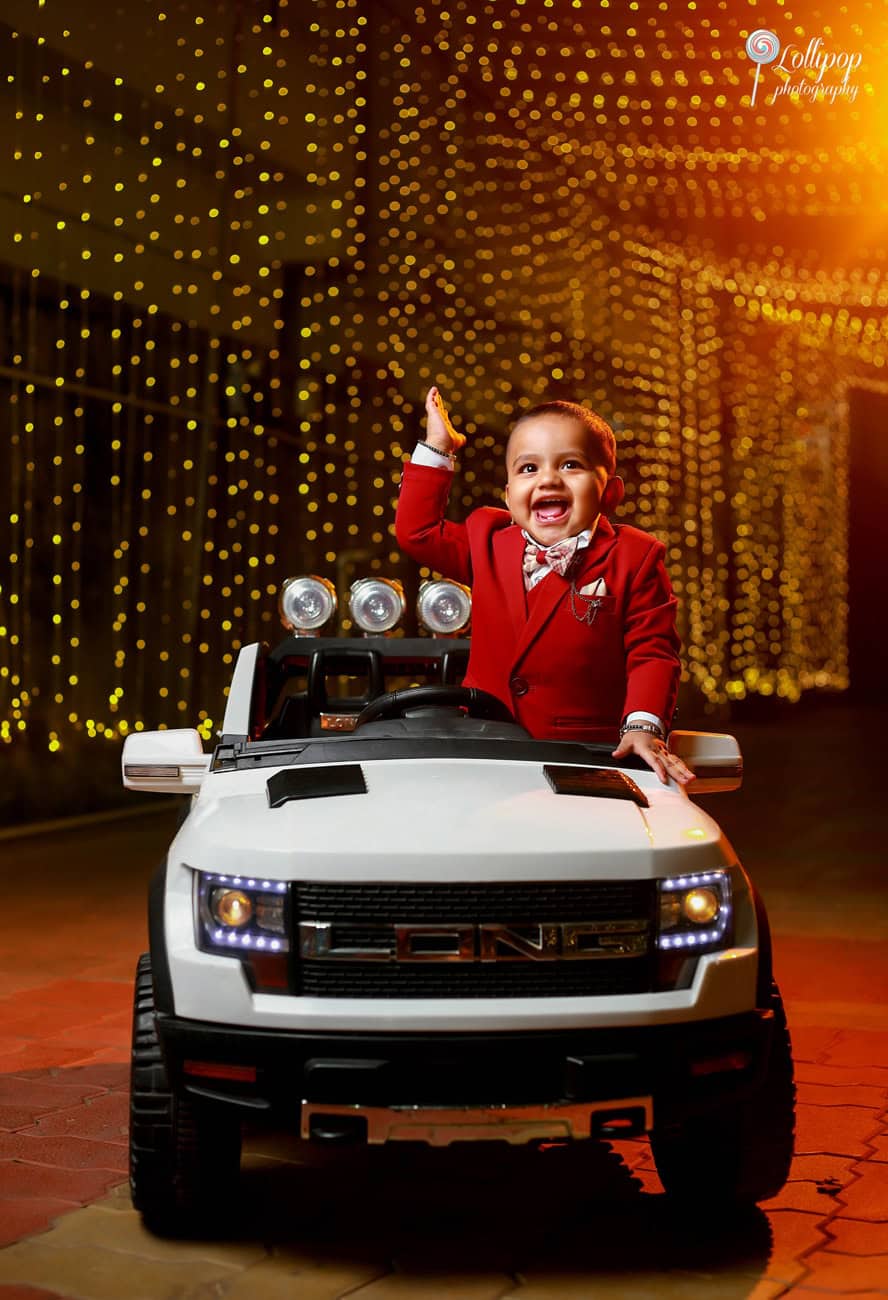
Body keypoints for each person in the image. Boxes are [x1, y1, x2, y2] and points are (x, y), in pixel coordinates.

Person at [395, 387, 694, 785]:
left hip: (581, 758)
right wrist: (438, 448)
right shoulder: (488, 537)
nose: (548, 479)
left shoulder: (635, 556)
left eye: (571, 465)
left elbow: (652, 653)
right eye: (528, 469)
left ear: (610, 492)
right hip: (486, 748)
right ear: (508, 496)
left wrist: (643, 726)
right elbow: (416, 532)